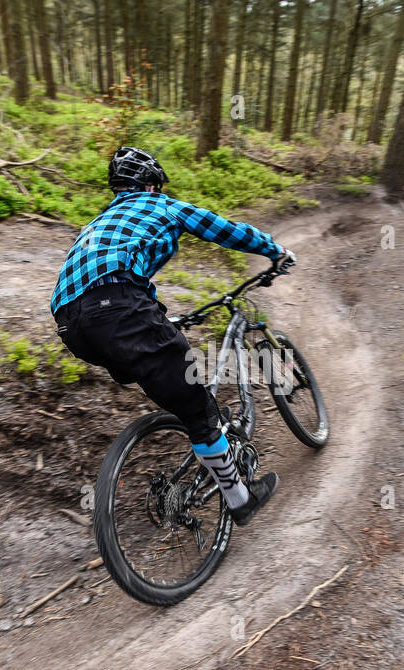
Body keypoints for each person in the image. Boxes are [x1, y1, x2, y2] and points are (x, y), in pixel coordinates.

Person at [51, 146, 291, 526]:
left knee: (176, 385)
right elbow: (224, 230)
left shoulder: (97, 225)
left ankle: (203, 443)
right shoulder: (161, 206)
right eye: (157, 186)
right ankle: (240, 498)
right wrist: (274, 250)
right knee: (197, 406)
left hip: (72, 325)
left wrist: (161, 317)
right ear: (151, 184)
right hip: (119, 308)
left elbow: (120, 281)